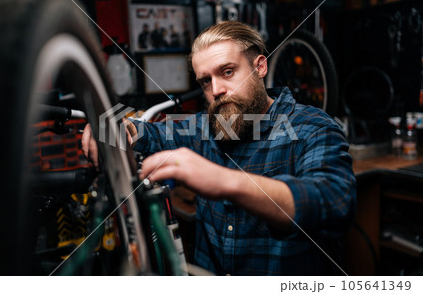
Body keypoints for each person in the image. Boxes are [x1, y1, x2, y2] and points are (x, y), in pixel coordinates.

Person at [82, 21, 356, 276]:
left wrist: (224, 181)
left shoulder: (312, 127)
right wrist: (108, 126)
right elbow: (147, 133)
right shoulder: (206, 129)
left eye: (227, 72)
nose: (216, 89)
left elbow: (334, 202)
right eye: (205, 81)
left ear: (260, 66)